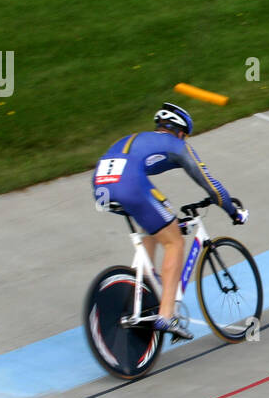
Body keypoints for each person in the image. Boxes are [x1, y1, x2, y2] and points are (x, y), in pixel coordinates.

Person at [91, 102, 248, 341]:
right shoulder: (177, 144)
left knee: (153, 225)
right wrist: (233, 211)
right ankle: (166, 316)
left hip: (100, 185)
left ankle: (140, 289)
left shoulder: (138, 138)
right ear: (181, 131)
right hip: (129, 184)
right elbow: (210, 184)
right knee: (174, 241)